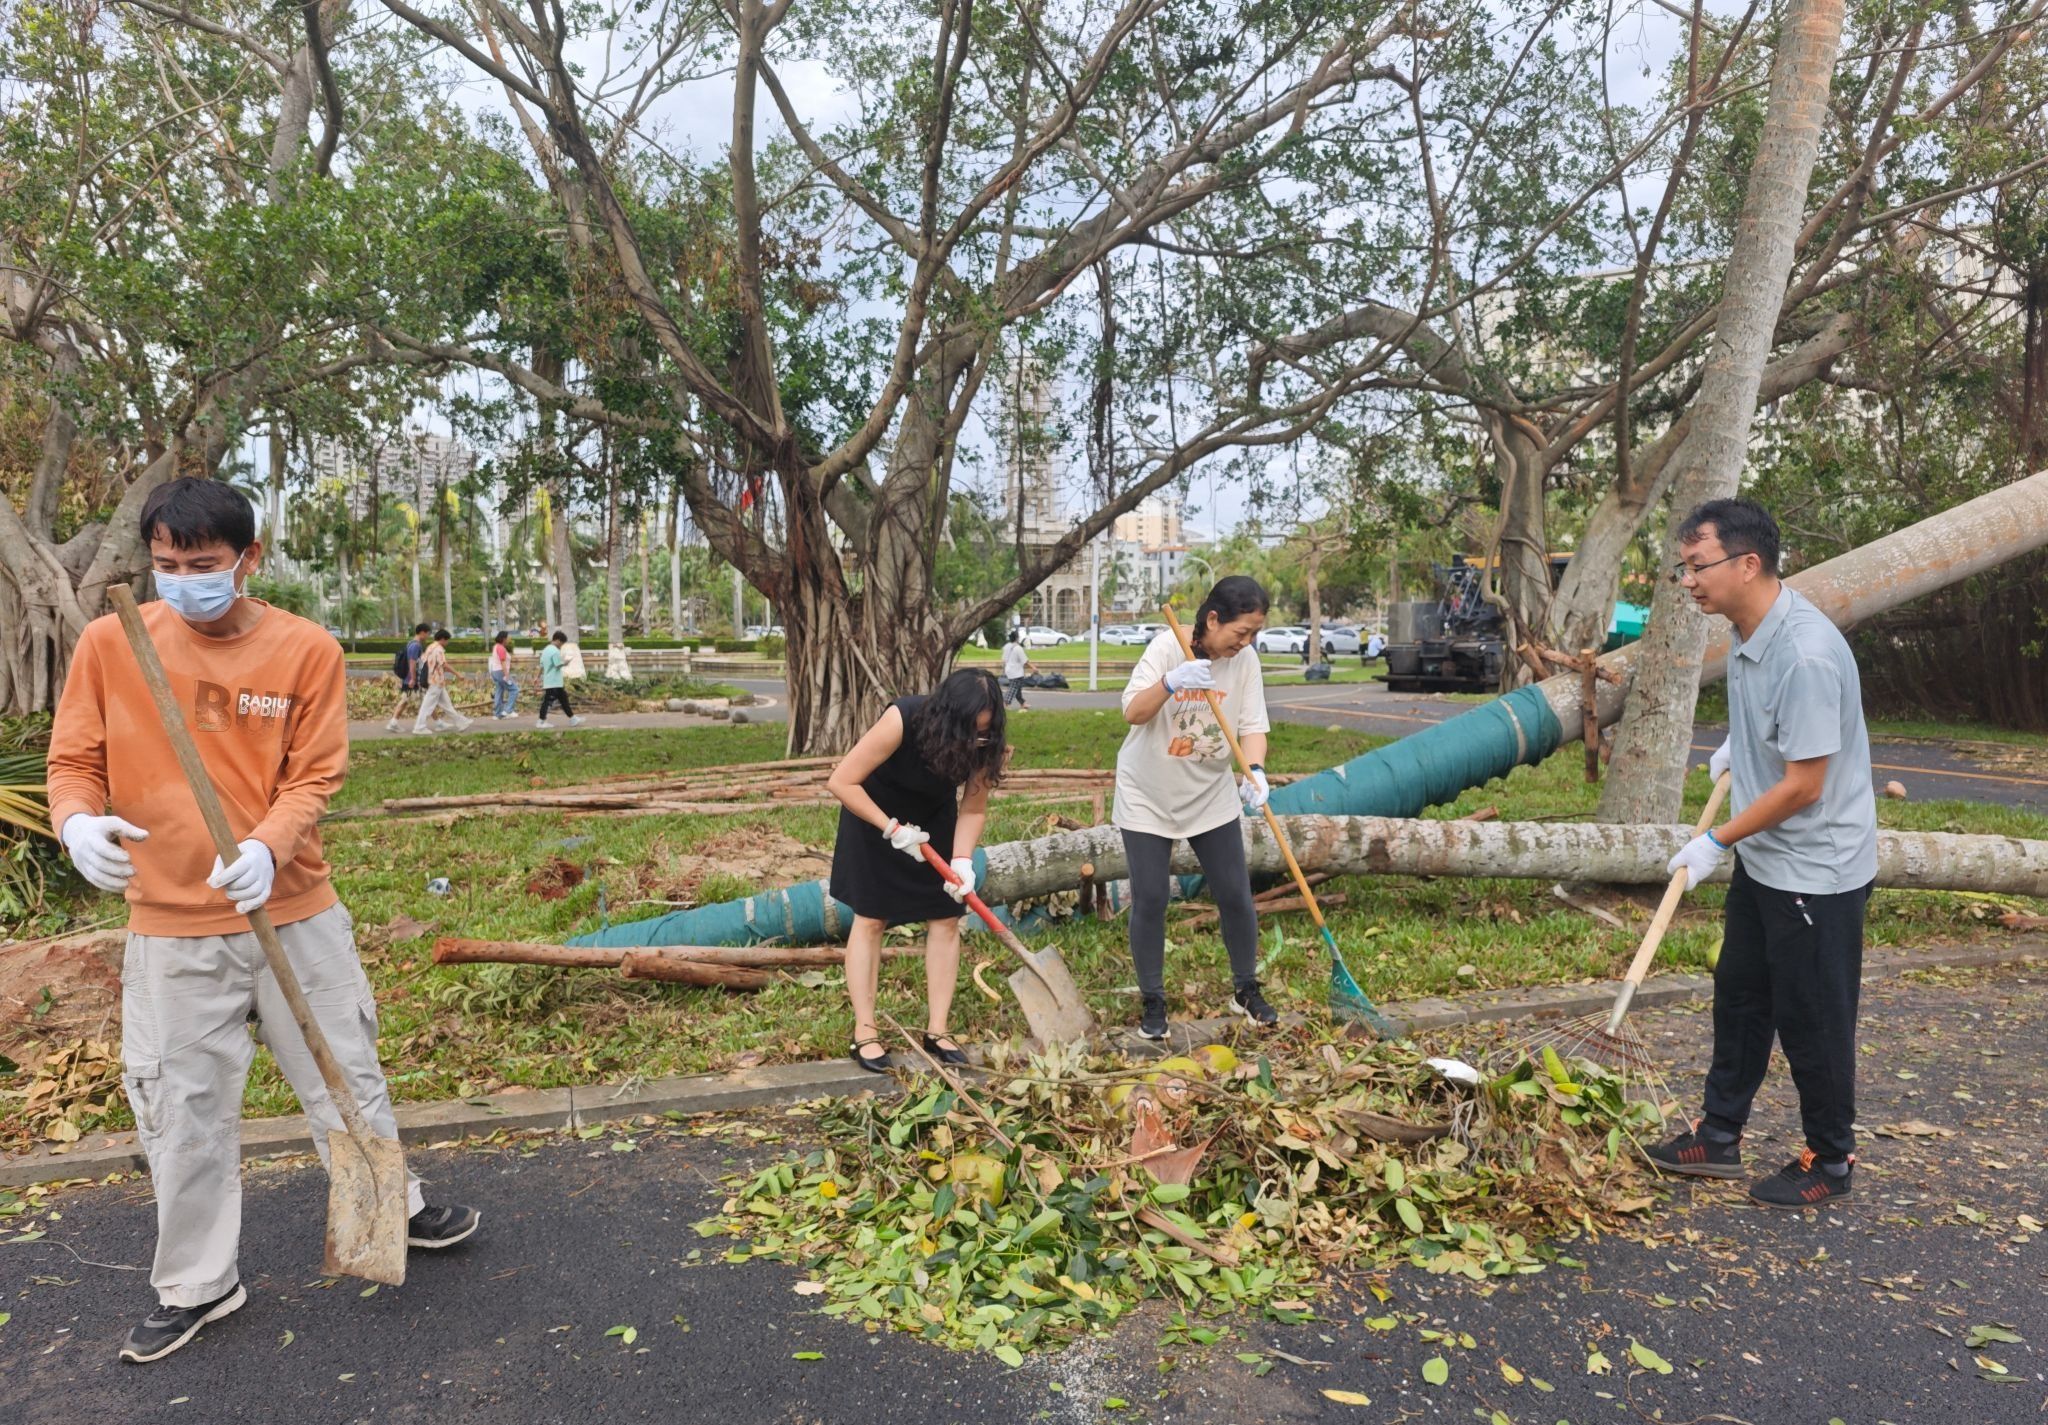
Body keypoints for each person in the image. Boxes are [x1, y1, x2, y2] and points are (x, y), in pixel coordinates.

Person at [46, 477, 480, 1365]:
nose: (181, 581)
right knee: (183, 1106)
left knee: (346, 1073)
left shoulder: (304, 649)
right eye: (165, 564)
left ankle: (388, 1208)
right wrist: (76, 822)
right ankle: (199, 1282)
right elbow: (73, 761)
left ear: (248, 558)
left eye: (201, 565)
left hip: (291, 912)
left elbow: (315, 775)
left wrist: (270, 846)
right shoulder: (111, 642)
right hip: (168, 922)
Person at [1645, 498, 1878, 1209]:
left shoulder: (1804, 653)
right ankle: (1718, 1134)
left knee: (1813, 1015)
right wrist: (1735, 752)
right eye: (1683, 567)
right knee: (1742, 995)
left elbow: (1805, 785)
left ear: (1747, 563)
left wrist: (1716, 839)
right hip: (1768, 861)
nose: (1688, 581)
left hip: (1817, 870)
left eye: (1697, 565)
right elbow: (1778, 742)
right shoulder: (1748, 627)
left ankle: (1829, 1158)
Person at [1114, 575, 1278, 1039]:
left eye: (1253, 634)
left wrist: (1256, 770)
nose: (1245, 643)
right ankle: (1153, 1000)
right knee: (1151, 896)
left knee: (1233, 892)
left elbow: (1252, 726)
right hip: (1147, 793)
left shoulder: (1244, 662)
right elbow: (1131, 711)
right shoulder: (1168, 648)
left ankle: (1245, 988)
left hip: (1210, 793)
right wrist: (1170, 682)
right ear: (1212, 619)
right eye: (1240, 632)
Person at [824, 669, 1006, 1073]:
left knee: (945, 917)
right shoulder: (902, 718)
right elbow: (842, 781)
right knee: (871, 919)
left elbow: (974, 806)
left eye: (984, 733)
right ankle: (865, 1030)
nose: (976, 741)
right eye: (970, 733)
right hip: (873, 814)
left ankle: (937, 1029)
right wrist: (890, 828)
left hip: (933, 818)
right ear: (947, 719)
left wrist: (961, 861)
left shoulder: (986, 740)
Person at [411, 629, 473, 735]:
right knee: (427, 705)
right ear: (443, 639)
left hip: (434, 681)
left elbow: (423, 662)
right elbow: (444, 665)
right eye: (447, 640)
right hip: (436, 681)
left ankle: (461, 722)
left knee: (446, 705)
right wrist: (458, 674)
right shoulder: (438, 649)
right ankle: (419, 727)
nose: (447, 643)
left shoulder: (430, 647)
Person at [384, 621, 431, 731]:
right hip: (411, 680)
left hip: (410, 679)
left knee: (414, 700)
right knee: (409, 701)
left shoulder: (412, 643)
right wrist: (413, 679)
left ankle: (394, 722)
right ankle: (394, 723)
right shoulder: (415, 645)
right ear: (422, 633)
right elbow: (412, 662)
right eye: (428, 633)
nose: (428, 636)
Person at [535, 630, 583, 727]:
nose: (561, 646)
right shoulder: (555, 651)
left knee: (564, 700)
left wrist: (537, 677)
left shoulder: (545, 650)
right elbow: (557, 665)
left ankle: (572, 719)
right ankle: (540, 721)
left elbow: (541, 666)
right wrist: (566, 662)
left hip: (551, 681)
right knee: (548, 702)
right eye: (561, 643)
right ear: (557, 640)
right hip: (554, 682)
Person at [1001, 629, 1036, 709]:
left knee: (1018, 688)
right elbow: (1025, 661)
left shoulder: (1006, 647)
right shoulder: (1018, 648)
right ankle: (1005, 703)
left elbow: (1004, 660)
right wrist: (1033, 667)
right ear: (1017, 638)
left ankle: (1022, 703)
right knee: (1013, 688)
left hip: (1009, 670)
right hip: (1016, 672)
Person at [487, 631, 518, 718]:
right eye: (508, 638)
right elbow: (503, 662)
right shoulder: (501, 648)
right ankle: (508, 710)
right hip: (501, 672)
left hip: (495, 672)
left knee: (499, 691)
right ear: (504, 638)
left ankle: (497, 714)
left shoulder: (496, 646)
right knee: (514, 689)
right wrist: (506, 675)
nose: (509, 639)